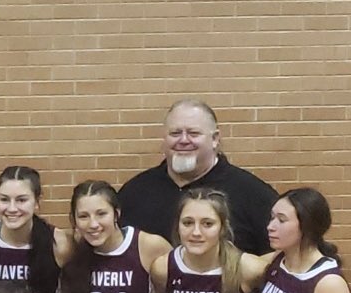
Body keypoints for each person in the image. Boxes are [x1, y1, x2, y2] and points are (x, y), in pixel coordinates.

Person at [118, 99, 278, 256]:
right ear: (164, 139)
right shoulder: (135, 192)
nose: (183, 140)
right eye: (175, 133)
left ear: (215, 139)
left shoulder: (253, 194)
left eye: (193, 133)